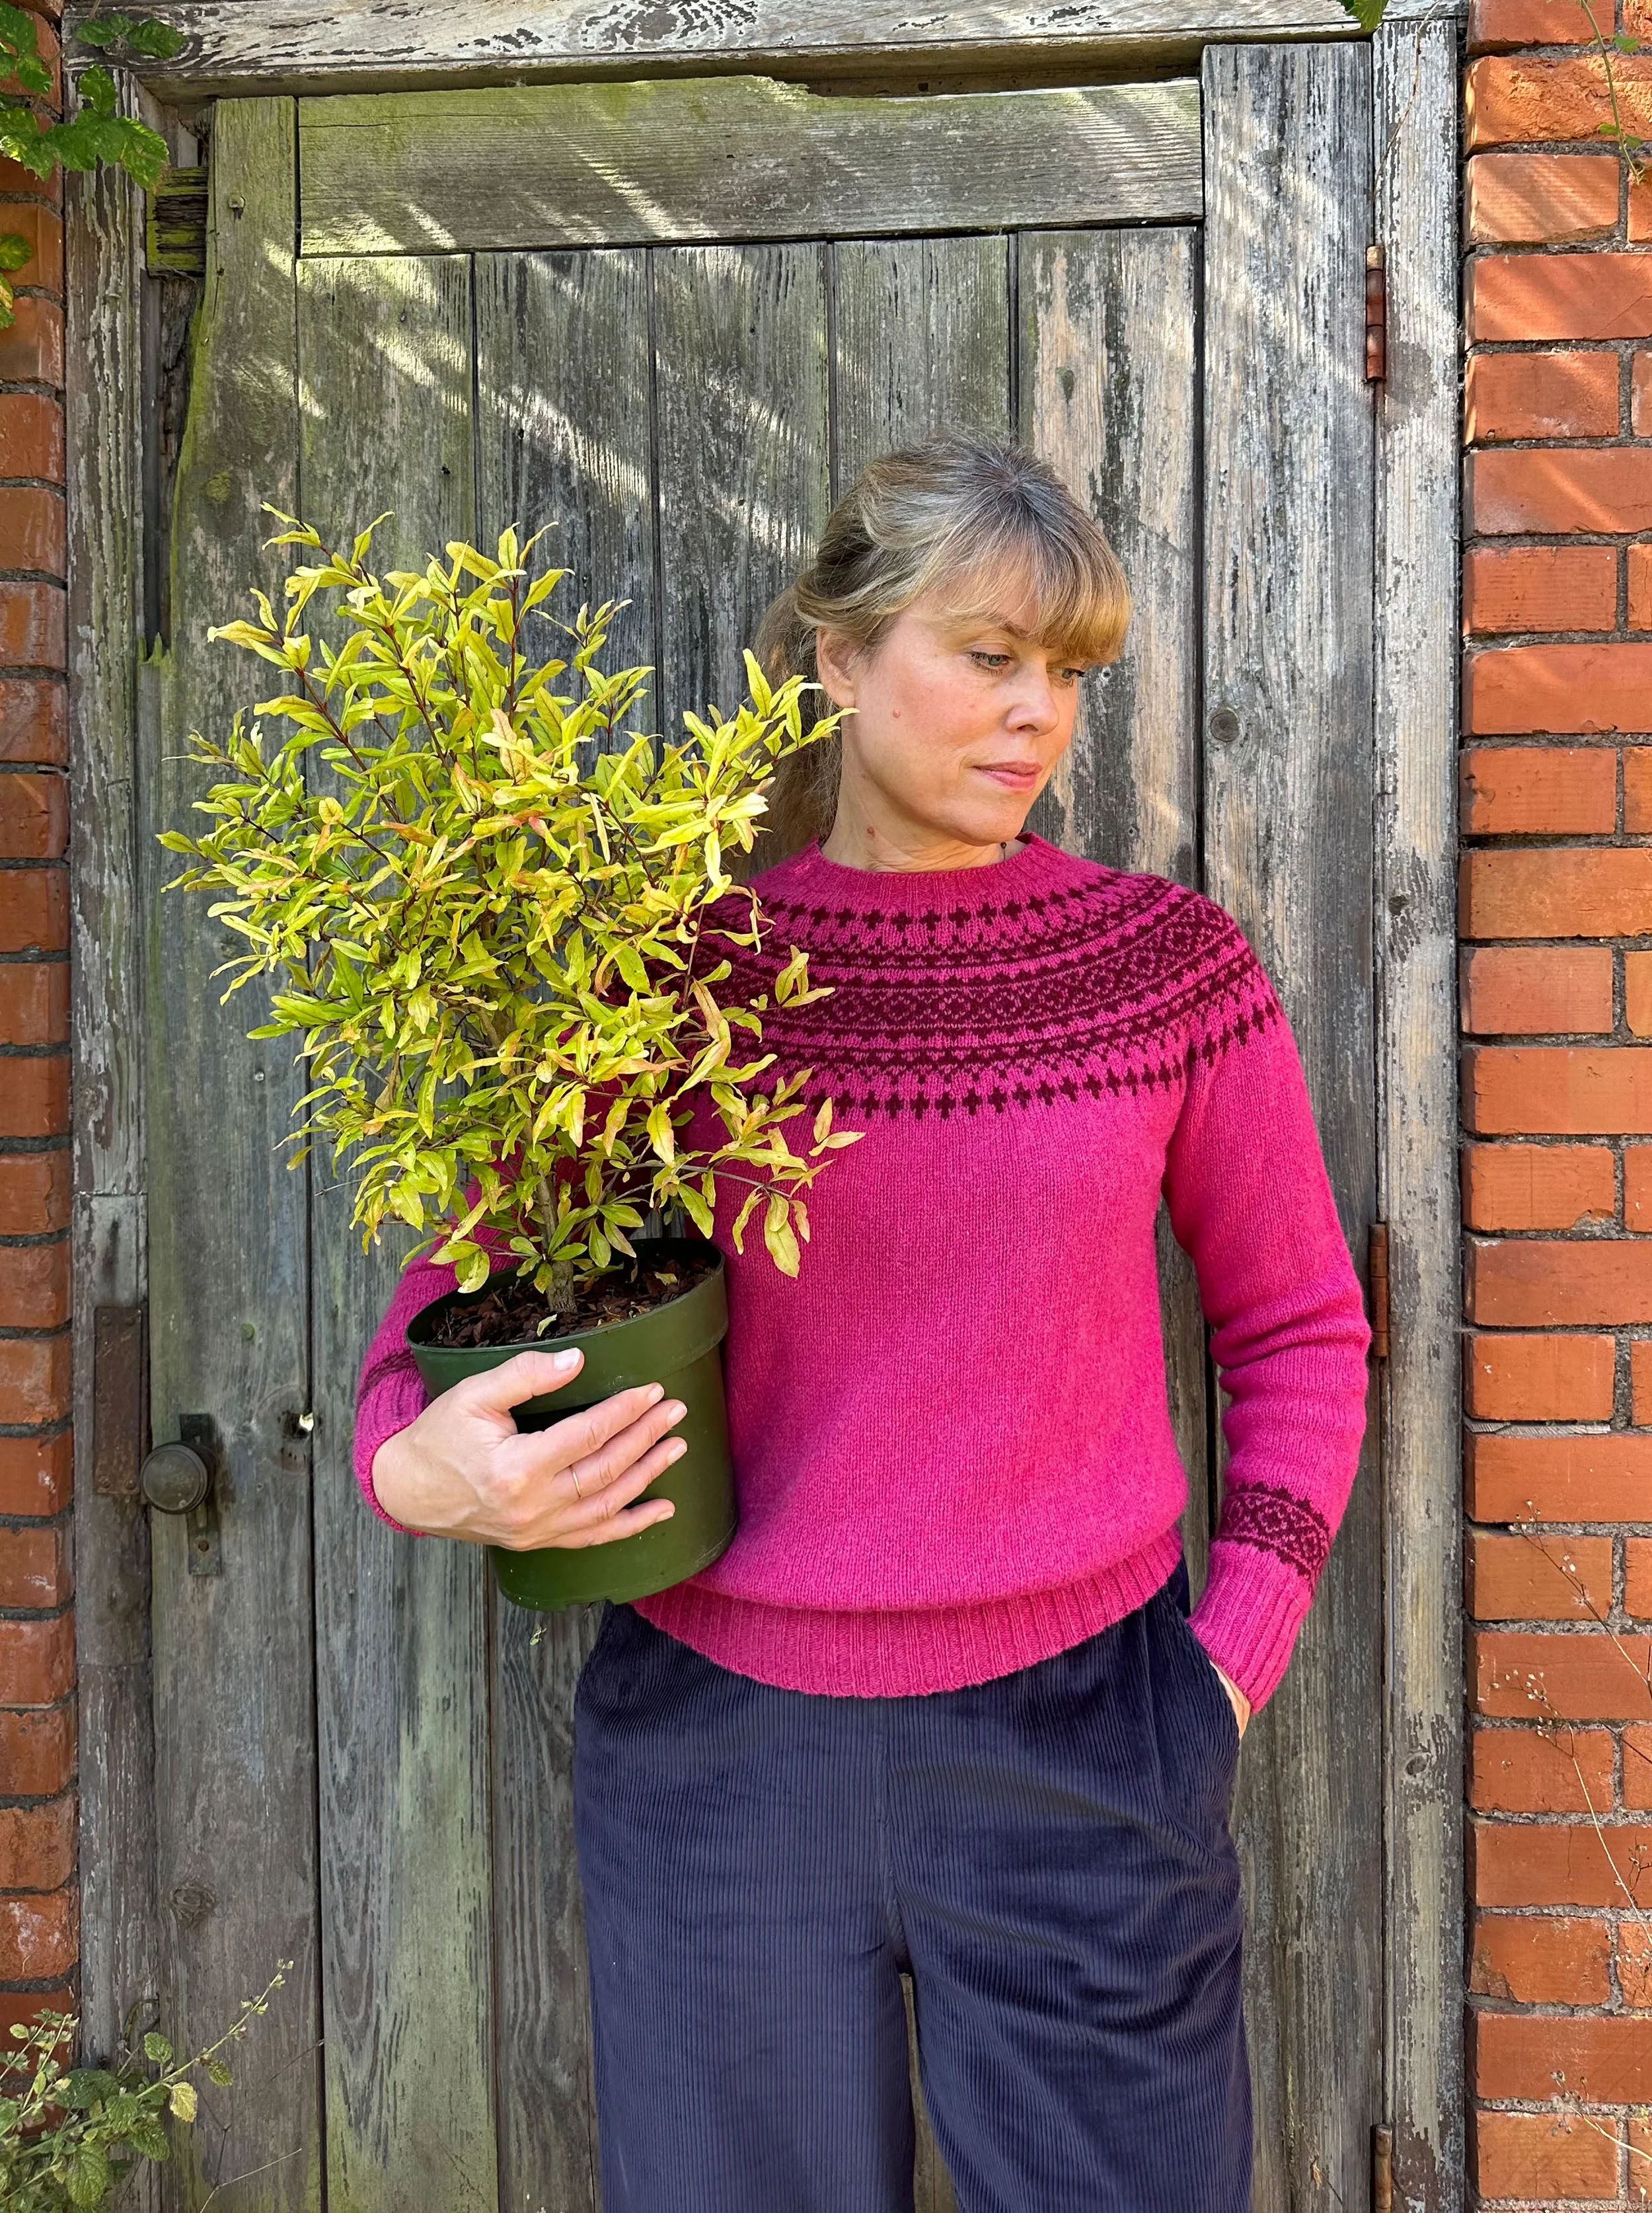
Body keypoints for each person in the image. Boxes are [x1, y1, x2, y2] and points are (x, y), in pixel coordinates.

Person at [354, 434, 1371, 2213]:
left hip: (1092, 1735)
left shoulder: (1160, 967)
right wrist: (421, 1470)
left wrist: (1223, 1664)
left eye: (1065, 671)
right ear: (835, 657)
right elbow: (445, 1304)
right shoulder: (673, 982)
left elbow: (1294, 1326)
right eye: (985, 655)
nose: (1034, 713)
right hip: (723, 1746)